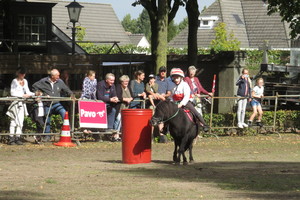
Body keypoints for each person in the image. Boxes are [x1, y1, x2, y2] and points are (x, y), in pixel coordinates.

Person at [32, 69, 73, 142]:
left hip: (57, 104)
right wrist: (39, 93)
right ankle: (47, 136)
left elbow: (66, 89)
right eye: (57, 75)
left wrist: (71, 94)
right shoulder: (43, 81)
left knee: (64, 113)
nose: (58, 77)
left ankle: (69, 132)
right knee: (47, 119)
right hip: (47, 104)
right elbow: (34, 86)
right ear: (52, 76)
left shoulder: (60, 82)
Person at [6, 67, 35, 145]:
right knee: (13, 121)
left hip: (22, 103)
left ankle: (18, 137)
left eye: (24, 73)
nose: (23, 75)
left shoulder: (25, 81)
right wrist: (22, 95)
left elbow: (28, 91)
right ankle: (11, 137)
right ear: (18, 73)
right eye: (21, 73)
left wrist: (34, 94)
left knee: (20, 121)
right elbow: (12, 93)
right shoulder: (14, 81)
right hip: (15, 102)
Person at [114, 75, 133, 141]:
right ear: (121, 82)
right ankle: (116, 135)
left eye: (127, 81)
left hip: (126, 108)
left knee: (124, 122)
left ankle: (123, 135)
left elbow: (132, 96)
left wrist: (130, 99)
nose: (126, 83)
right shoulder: (118, 87)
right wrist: (125, 99)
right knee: (118, 120)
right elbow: (118, 96)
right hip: (119, 107)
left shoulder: (129, 87)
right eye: (125, 81)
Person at [80, 70, 98, 140]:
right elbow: (85, 90)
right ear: (89, 76)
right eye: (93, 76)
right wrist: (83, 98)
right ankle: (84, 128)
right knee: (85, 113)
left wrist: (95, 98)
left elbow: (94, 90)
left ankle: (90, 128)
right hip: (86, 97)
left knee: (91, 114)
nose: (94, 77)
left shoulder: (95, 81)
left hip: (92, 98)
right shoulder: (86, 80)